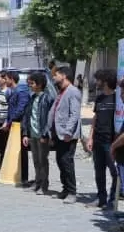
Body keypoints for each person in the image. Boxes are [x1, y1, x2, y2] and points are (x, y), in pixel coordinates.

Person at [49, 66, 83, 204]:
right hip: (58, 133)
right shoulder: (61, 91)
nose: (53, 77)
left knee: (67, 162)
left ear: (64, 76)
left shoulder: (73, 91)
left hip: (67, 134)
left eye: (56, 75)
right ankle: (65, 189)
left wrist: (69, 131)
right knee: (60, 161)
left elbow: (74, 114)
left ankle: (72, 192)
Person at [88, 69, 120, 209]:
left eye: (98, 80)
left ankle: (113, 199)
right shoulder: (99, 98)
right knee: (99, 171)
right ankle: (101, 198)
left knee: (114, 172)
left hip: (111, 141)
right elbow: (95, 118)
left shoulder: (117, 99)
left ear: (105, 81)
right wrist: (90, 137)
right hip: (98, 140)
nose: (97, 82)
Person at [21, 70, 54, 195]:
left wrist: (45, 134)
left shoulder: (47, 98)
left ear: (40, 84)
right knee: (35, 160)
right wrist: (25, 133)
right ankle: (37, 182)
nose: (30, 86)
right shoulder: (32, 98)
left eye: (32, 83)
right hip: (33, 135)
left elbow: (49, 119)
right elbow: (27, 116)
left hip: (42, 136)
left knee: (42, 161)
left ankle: (44, 185)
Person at [3, 71, 30, 186]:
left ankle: (24, 178)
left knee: (22, 152)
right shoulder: (13, 92)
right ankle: (16, 174)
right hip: (14, 126)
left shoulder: (21, 92)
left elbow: (20, 110)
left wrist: (9, 122)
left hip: (19, 126)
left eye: (6, 79)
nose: (5, 81)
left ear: (12, 79)